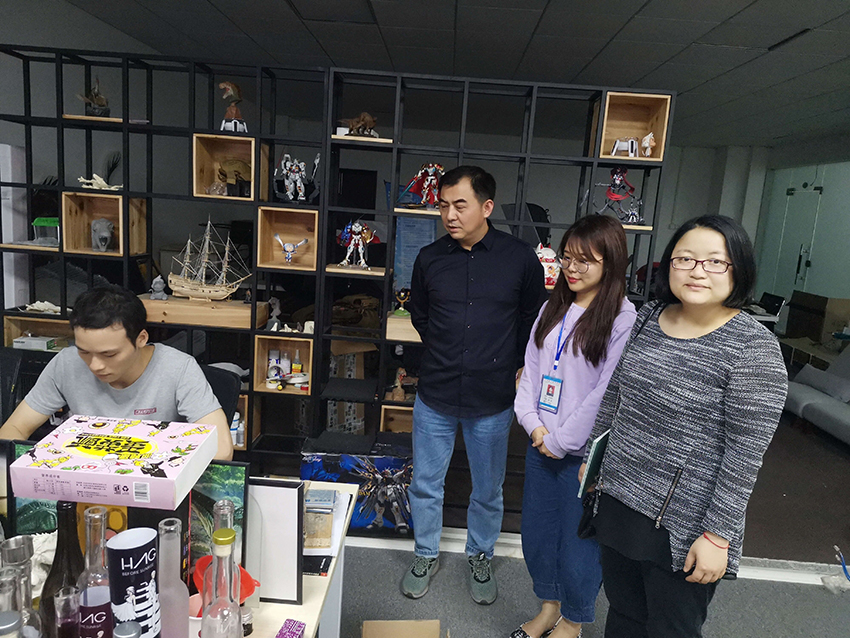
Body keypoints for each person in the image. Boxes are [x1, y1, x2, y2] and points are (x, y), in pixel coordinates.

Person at [580, 215, 788, 637]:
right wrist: (593, 460)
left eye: (715, 261)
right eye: (685, 259)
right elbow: (617, 393)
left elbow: (745, 456)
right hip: (619, 496)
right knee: (623, 614)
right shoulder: (649, 316)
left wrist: (717, 536)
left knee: (671, 628)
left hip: (684, 520)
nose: (697, 271)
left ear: (739, 270)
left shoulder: (754, 348)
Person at [403, 166, 547, 604]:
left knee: (487, 489)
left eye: (460, 205)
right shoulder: (429, 258)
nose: (449, 215)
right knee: (426, 483)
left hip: (492, 396)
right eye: (443, 205)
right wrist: (446, 350)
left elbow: (532, 318)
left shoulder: (520, 258)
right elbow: (420, 315)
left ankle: (480, 555)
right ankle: (425, 553)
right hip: (436, 391)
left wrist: (514, 364)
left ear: (486, 207)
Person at [513, 216, 636, 638]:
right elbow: (530, 370)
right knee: (538, 534)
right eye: (566, 257)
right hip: (540, 443)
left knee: (578, 542)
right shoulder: (553, 306)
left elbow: (605, 392)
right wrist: (534, 426)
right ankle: (548, 609)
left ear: (611, 262)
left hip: (581, 455)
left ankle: (573, 620)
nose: (571, 268)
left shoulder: (622, 318)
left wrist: (562, 441)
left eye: (585, 260)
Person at [0, 285, 233, 461]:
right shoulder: (66, 363)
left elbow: (222, 450)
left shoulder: (178, 369)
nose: (95, 365)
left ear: (141, 339)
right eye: (84, 352)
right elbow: (14, 429)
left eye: (109, 354)